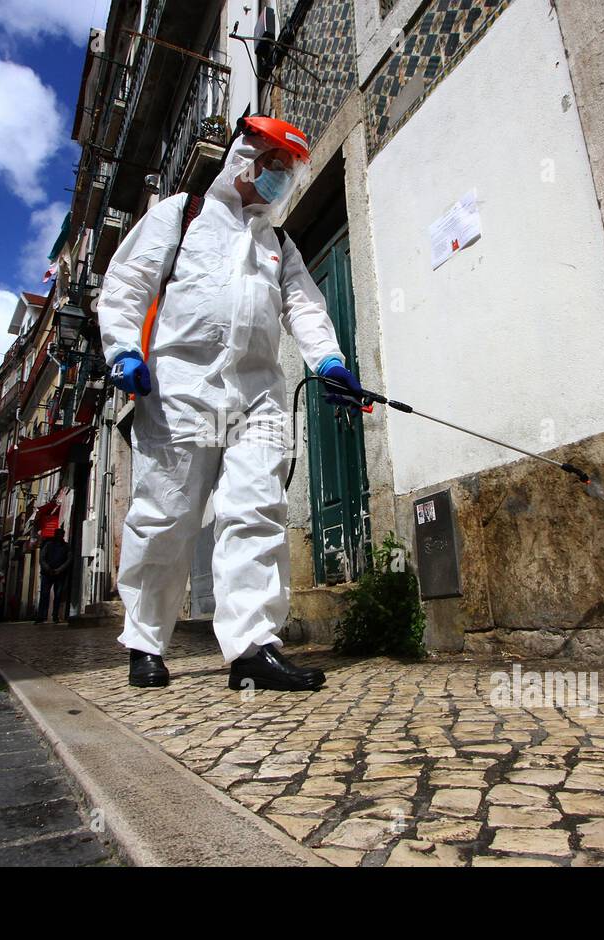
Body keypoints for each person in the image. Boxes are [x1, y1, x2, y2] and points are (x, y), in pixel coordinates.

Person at [98, 114, 365, 691]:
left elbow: (306, 308)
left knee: (256, 511)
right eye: (273, 165)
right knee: (165, 516)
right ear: (245, 157)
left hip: (258, 394)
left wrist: (329, 361)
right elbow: (127, 283)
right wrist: (123, 350)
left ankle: (251, 647)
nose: (278, 179)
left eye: (287, 170)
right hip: (180, 390)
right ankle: (145, 642)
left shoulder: (279, 241)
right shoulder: (181, 214)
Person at [34, 528, 72, 623]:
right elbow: (42, 558)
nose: (59, 536)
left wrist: (59, 570)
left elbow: (69, 560)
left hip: (59, 574)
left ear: (62, 536)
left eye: (60, 534)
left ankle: (55, 615)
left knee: (58, 595)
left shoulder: (66, 547)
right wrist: (48, 568)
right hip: (47, 574)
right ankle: (41, 615)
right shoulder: (48, 545)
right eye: (57, 534)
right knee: (44, 595)